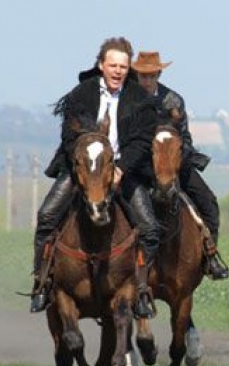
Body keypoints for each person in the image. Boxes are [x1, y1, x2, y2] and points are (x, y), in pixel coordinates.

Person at [30, 36, 159, 318]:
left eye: (123, 67)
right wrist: (85, 167)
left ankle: (140, 292)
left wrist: (120, 169)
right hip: (82, 169)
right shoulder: (80, 95)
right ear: (101, 65)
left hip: (122, 171)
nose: (117, 71)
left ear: (128, 69)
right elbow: (69, 136)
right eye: (112, 65)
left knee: (150, 228)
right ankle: (41, 283)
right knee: (47, 216)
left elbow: (142, 141)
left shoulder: (141, 100)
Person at [132, 50, 229, 281]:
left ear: (159, 74)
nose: (147, 81)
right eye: (142, 76)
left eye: (151, 76)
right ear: (136, 75)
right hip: (140, 166)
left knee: (208, 202)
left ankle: (209, 256)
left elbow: (185, 138)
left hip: (174, 163)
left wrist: (175, 159)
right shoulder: (128, 101)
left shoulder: (173, 100)